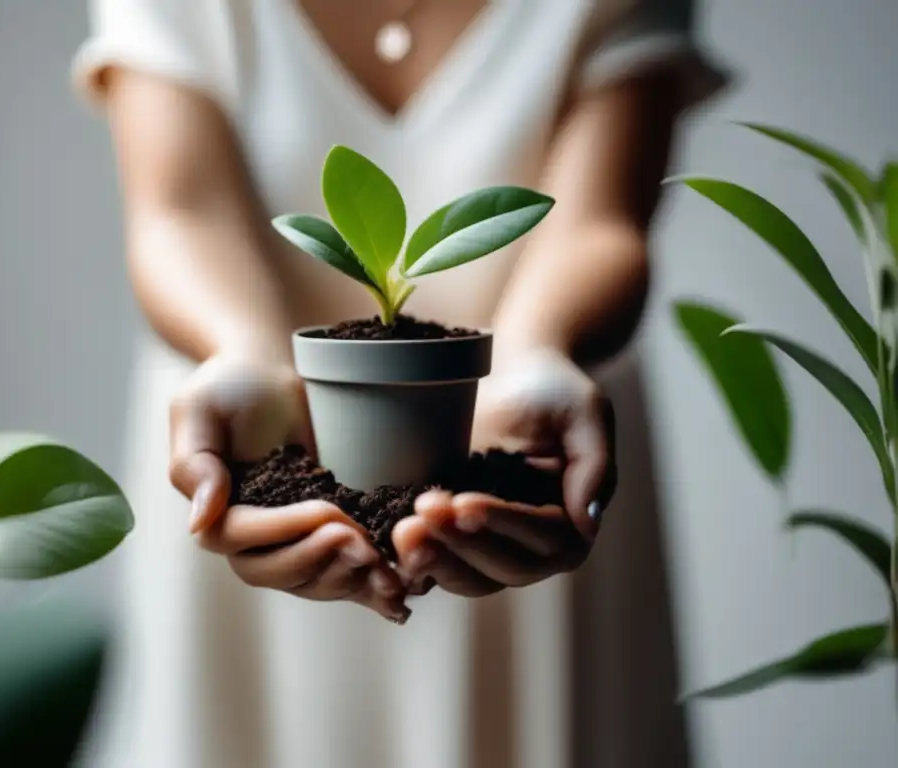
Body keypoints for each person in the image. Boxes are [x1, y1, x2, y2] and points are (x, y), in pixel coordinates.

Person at [72, 1, 729, 766]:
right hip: (253, 444)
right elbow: (178, 212)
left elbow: (600, 221)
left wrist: (537, 352)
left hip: (528, 450)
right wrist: (244, 355)